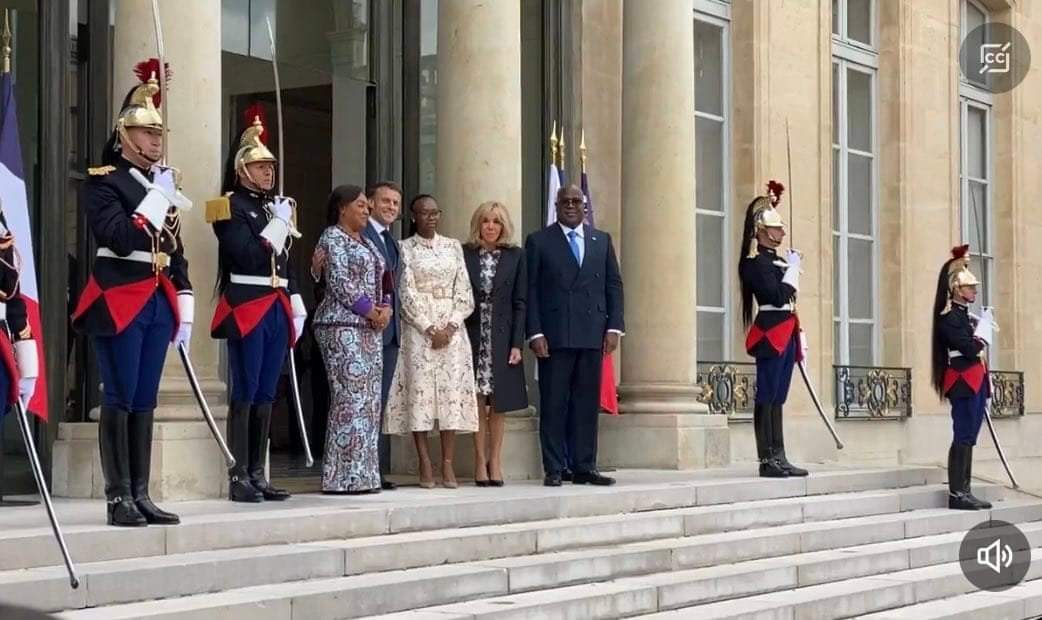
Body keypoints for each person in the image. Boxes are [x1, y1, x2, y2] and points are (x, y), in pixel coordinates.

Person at [72, 65, 193, 526]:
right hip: (119, 295)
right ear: (124, 133)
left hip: (156, 298)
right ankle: (117, 496)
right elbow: (119, 237)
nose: (155, 139)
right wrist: (155, 200)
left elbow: (173, 247)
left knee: (146, 399)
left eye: (159, 131)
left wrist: (183, 291)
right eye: (146, 131)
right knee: (119, 396)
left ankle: (141, 493)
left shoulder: (160, 183)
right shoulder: (104, 181)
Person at [205, 108, 305, 503]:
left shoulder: (272, 207)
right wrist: (277, 224)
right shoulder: (228, 207)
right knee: (245, 389)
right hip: (248, 302)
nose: (268, 173)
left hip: (276, 303)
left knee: (267, 391)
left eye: (271, 166)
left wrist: (295, 297)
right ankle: (238, 475)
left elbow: (286, 259)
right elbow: (245, 255)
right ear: (242, 169)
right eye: (260, 166)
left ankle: (258, 472)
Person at [526, 184, 624, 487]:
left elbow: (613, 286)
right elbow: (530, 291)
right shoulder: (540, 241)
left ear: (585, 207)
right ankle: (554, 467)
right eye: (564, 201)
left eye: (576, 201)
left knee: (585, 404)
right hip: (554, 335)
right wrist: (535, 332)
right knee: (554, 403)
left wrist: (614, 328)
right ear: (556, 206)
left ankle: (584, 466)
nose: (570, 205)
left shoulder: (601, 240)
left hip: (592, 333)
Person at [312, 181, 402, 490]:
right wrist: (370, 311)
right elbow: (338, 280)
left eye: (367, 205)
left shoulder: (367, 241)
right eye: (361, 205)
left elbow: (386, 275)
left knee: (370, 401)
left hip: (370, 328)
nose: (367, 209)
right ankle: (340, 477)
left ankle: (365, 475)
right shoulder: (332, 237)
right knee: (349, 398)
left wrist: (386, 309)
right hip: (340, 326)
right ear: (343, 208)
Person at [384, 194, 478, 488]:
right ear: (414, 216)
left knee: (450, 395)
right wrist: (428, 327)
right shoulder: (404, 248)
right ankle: (424, 462)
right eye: (425, 213)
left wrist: (449, 327)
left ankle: (447, 463)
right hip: (418, 329)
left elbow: (464, 290)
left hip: (451, 326)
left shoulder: (452, 247)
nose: (431, 218)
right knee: (421, 394)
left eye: (435, 213)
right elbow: (404, 293)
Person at [737, 180, 808, 479]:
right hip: (769, 331)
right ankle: (766, 459)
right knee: (766, 394)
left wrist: (789, 268)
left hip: (786, 329)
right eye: (777, 229)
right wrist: (791, 271)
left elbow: (789, 300)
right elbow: (775, 296)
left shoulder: (778, 261)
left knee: (779, 395)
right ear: (762, 232)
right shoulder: (754, 264)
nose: (782, 233)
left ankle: (780, 455)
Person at [462, 201, 527, 487]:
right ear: (479, 224)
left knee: (498, 402)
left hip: (502, 335)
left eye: (496, 222)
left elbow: (520, 302)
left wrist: (517, 343)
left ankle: (495, 460)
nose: (491, 227)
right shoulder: (465, 254)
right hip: (472, 333)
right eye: (486, 221)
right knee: (476, 399)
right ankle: (479, 461)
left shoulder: (515, 256)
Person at [932, 245, 994, 511]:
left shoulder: (966, 317)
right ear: (957, 289)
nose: (974, 291)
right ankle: (957, 493)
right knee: (963, 435)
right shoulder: (949, 319)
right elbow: (970, 349)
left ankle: (965, 489)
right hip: (962, 381)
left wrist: (980, 327)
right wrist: (983, 333)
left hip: (975, 379)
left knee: (970, 436)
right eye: (970, 288)